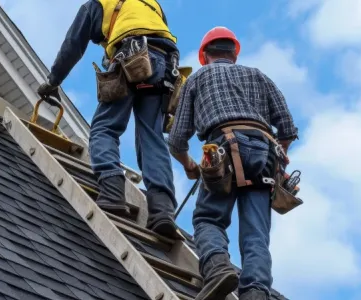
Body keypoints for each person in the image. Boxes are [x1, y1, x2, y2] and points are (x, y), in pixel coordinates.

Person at [168, 26, 299, 300]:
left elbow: (177, 139)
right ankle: (255, 293)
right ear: (234, 54)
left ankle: (217, 268)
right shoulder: (258, 76)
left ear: (205, 55)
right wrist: (278, 157)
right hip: (265, 153)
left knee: (208, 218)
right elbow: (287, 128)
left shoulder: (197, 79)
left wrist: (189, 164)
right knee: (256, 233)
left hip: (223, 148)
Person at [37, 0, 183, 239]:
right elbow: (159, 39)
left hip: (131, 54)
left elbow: (73, 45)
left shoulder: (98, 4)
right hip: (166, 66)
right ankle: (163, 211)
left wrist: (53, 81)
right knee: (152, 137)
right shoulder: (153, 5)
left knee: (105, 128)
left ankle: (113, 190)